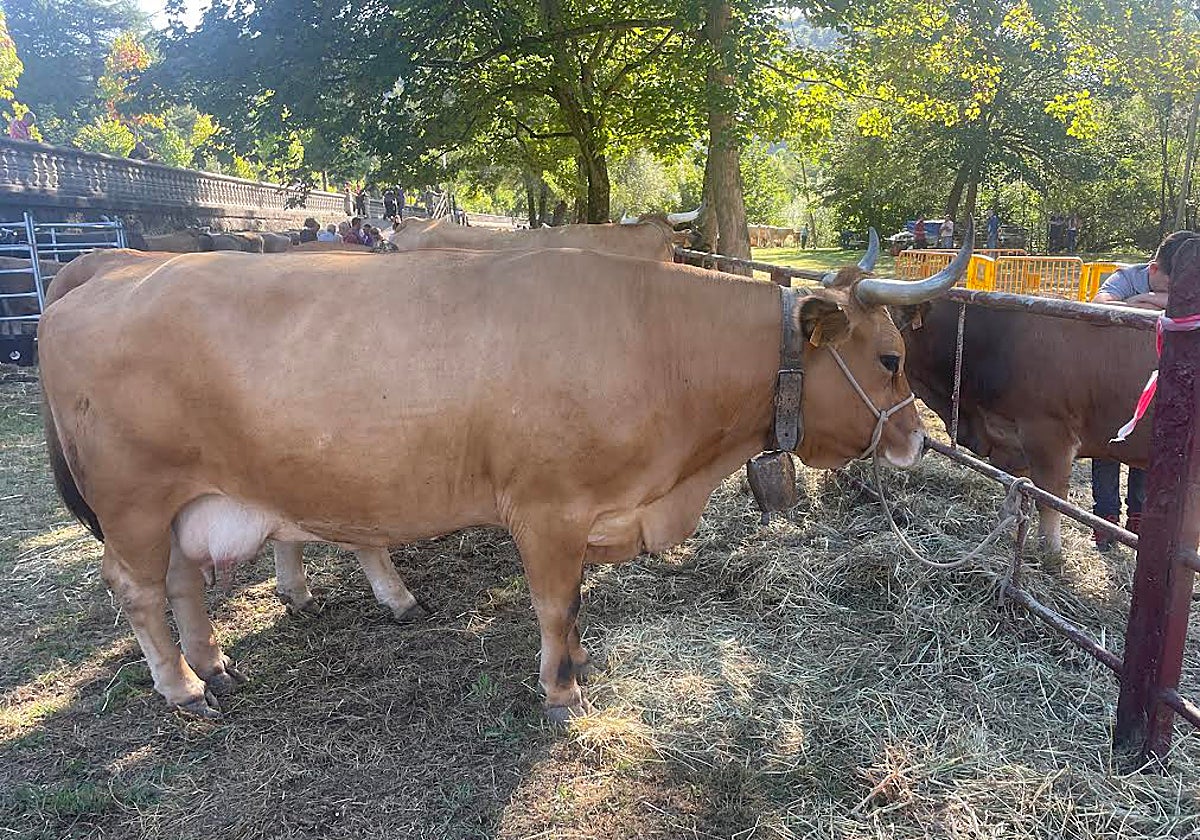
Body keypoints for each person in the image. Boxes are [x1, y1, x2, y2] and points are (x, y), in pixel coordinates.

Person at [1088, 229, 1198, 548]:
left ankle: (1137, 523)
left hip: (1158, 385)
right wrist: (1161, 306)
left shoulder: (1184, 283)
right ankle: (1104, 522)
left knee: (1147, 452)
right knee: (1106, 447)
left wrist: (1147, 300)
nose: (1174, 292)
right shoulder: (1127, 276)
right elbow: (1101, 304)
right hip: (1111, 382)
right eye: (1167, 286)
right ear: (1153, 269)